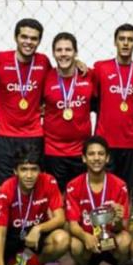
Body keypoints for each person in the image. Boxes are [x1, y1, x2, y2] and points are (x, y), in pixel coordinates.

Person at [0, 18, 52, 185]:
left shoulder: (44, 62)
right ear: (16, 37)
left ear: (39, 41)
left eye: (34, 38)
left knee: (34, 189)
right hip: (5, 135)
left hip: (33, 135)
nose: (28, 42)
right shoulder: (0, 59)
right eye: (24, 37)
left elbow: (58, 84)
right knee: (0, 190)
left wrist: (78, 63)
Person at [65, 135, 132, 265]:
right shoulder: (73, 186)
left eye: (101, 154)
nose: (96, 158)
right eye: (91, 154)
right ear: (84, 158)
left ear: (107, 158)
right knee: (75, 244)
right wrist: (85, 236)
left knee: (125, 240)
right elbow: (73, 225)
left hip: (111, 239)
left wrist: (118, 220)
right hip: (89, 241)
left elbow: (123, 228)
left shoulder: (120, 185)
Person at [93, 24, 133, 200]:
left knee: (127, 191)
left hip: (129, 142)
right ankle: (99, 227)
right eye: (122, 39)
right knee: (101, 189)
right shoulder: (100, 68)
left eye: (130, 40)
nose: (125, 43)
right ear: (115, 42)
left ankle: (125, 226)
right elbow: (93, 99)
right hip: (104, 141)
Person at [42, 32, 94, 190]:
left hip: (81, 151)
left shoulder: (89, 76)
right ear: (53, 53)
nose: (63, 54)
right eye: (59, 50)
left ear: (75, 52)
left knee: (79, 198)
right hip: (53, 150)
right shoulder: (45, 77)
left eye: (68, 50)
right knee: (56, 199)